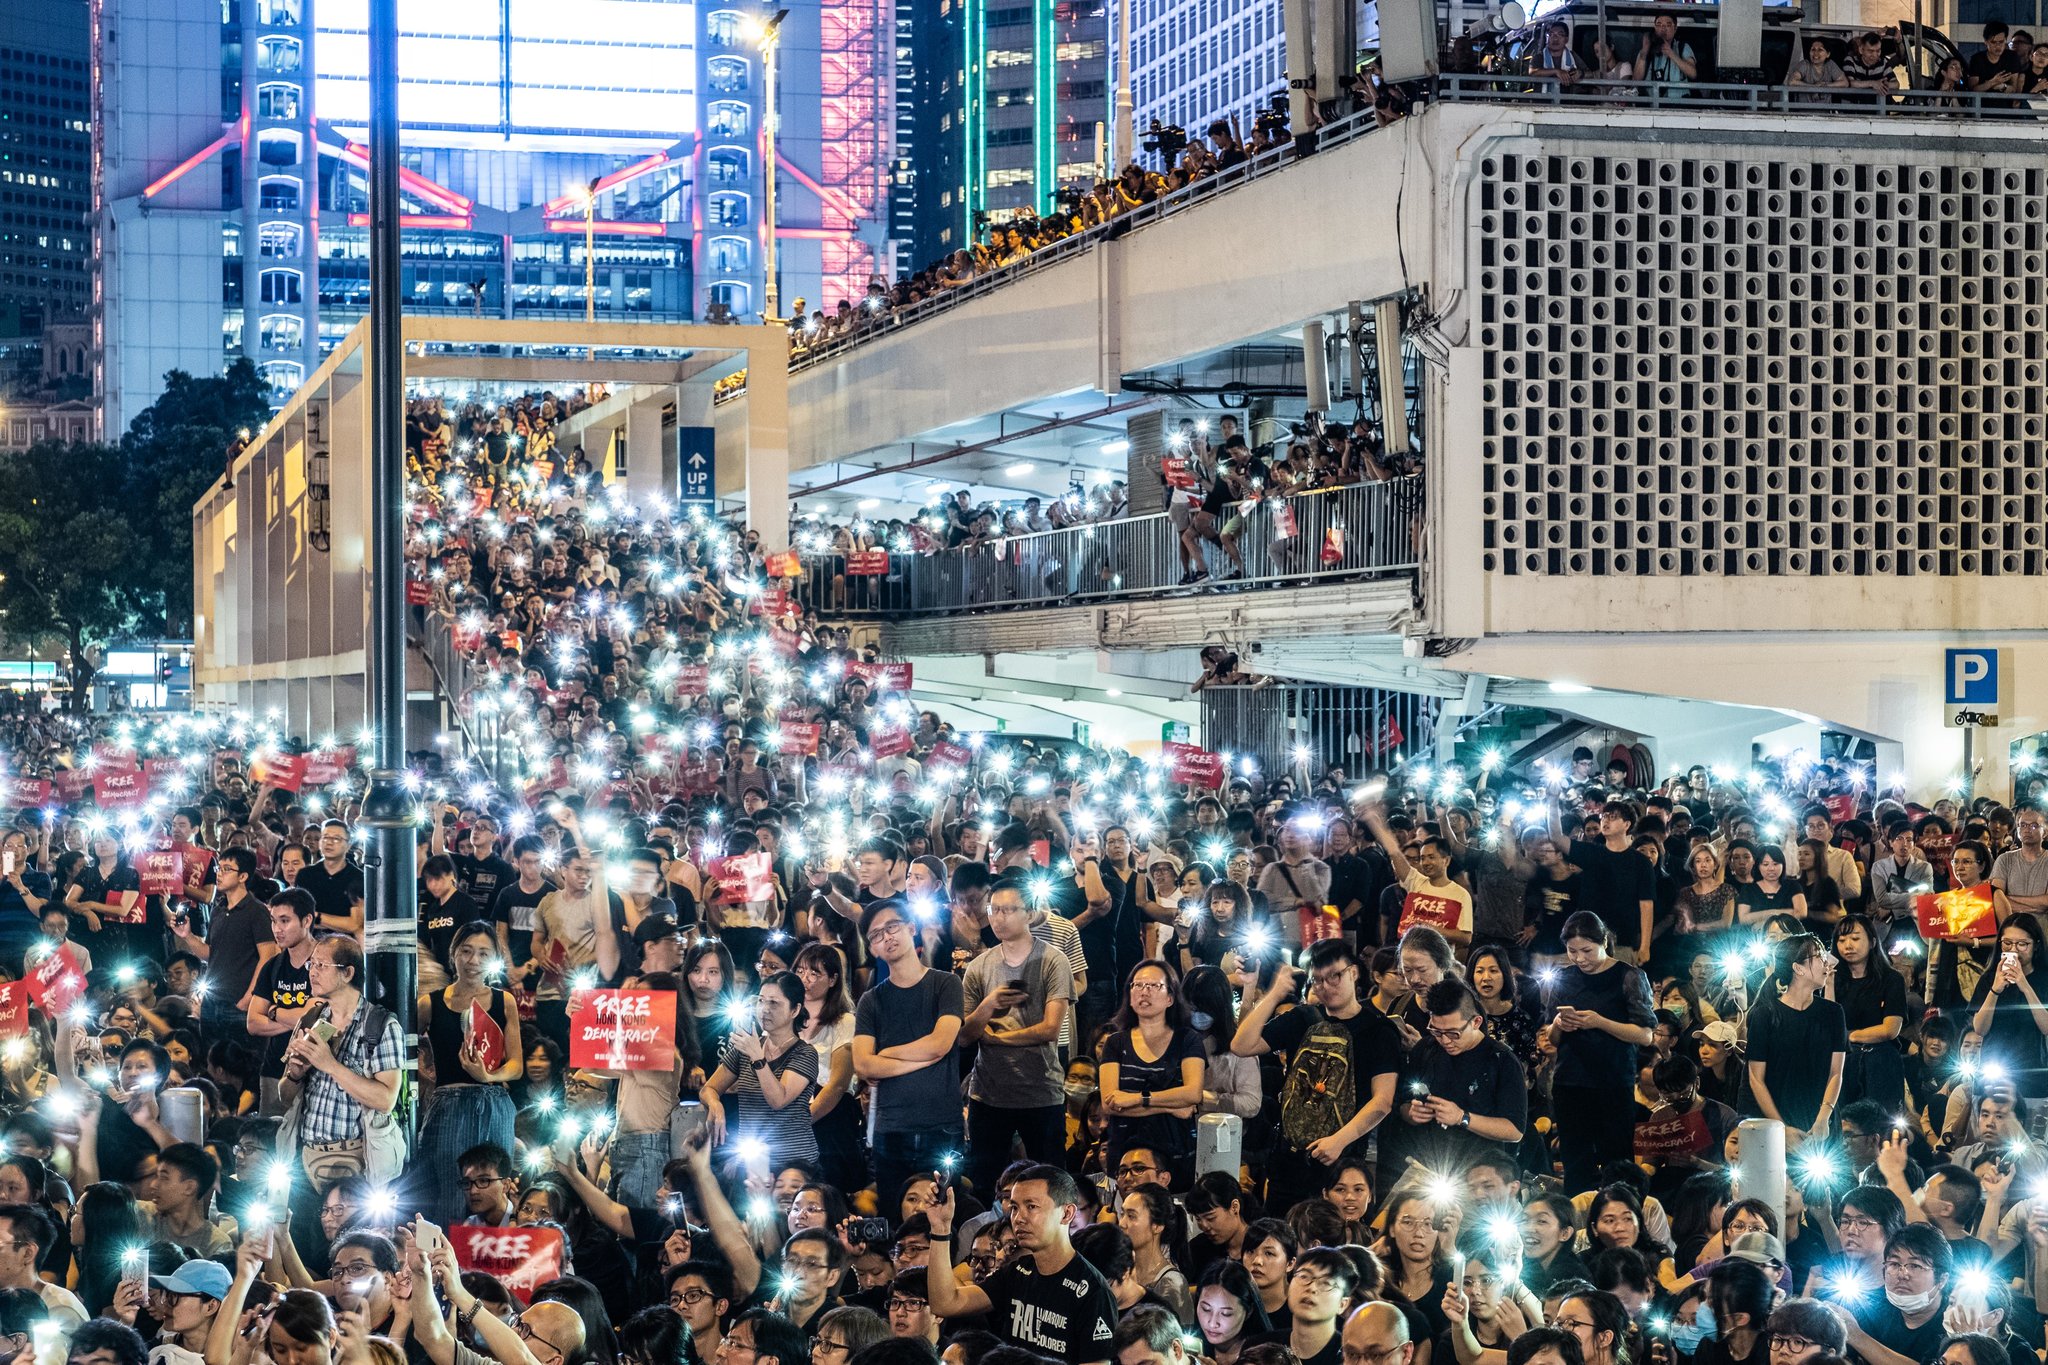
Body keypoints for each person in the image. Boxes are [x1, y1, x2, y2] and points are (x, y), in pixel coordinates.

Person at [1230, 939, 1398, 1213]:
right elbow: (1241, 1045)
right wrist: (1273, 993)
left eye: (1335, 976)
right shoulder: (1304, 1017)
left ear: (1354, 973)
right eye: (1317, 980)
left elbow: (1383, 1101)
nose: (1326, 986)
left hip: (1339, 1165)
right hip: (1289, 1159)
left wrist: (1340, 1140)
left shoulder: (1378, 1031)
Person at [926, 1164, 1117, 1364]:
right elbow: (945, 1303)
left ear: (1067, 1213)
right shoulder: (1017, 1271)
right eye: (1015, 1207)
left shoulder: (1093, 1292)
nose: (1018, 1218)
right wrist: (940, 1228)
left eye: (1031, 1206)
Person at [959, 879, 1073, 1200]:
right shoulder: (980, 966)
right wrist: (989, 1005)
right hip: (988, 1094)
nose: (1000, 918)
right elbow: (966, 1035)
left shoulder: (1052, 960)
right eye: (994, 910)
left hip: (1041, 1092)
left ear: (1030, 914)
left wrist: (999, 1039)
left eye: (1009, 910)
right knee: (985, 1185)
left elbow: (1051, 1029)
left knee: (1050, 1187)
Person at [412, 919, 522, 1225]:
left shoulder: (505, 1001)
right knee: (450, 1188)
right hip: (448, 1104)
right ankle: (447, 1265)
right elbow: (405, 1049)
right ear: (454, 953)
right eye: (467, 951)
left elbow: (516, 1065)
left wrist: (488, 1075)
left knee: (494, 1187)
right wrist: (422, 1070)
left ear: (494, 959)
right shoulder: (430, 1003)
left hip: (495, 1101)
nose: (474, 961)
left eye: (484, 954)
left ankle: (492, 1262)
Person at [854, 899, 965, 1201]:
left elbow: (941, 1043)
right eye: (876, 935)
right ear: (872, 948)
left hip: (942, 1126)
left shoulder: (946, 984)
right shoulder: (871, 1000)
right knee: (895, 1220)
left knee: (943, 1216)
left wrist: (885, 1056)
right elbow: (863, 1065)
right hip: (891, 1130)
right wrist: (927, 1056)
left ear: (911, 928)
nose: (886, 937)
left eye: (892, 927)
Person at [281, 935, 404, 1189]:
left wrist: (330, 1065)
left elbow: (385, 1100)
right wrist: (295, 1074)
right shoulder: (311, 1019)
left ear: (348, 973)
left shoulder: (379, 1025)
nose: (312, 972)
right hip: (305, 1158)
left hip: (356, 1160)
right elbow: (283, 1096)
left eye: (321, 966)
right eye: (311, 965)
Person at [1543, 912, 1655, 1190]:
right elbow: (1552, 1039)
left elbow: (1645, 1035)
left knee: (1617, 1162)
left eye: (1587, 951)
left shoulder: (1629, 976)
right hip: (1570, 1082)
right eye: (1572, 951)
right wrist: (1558, 1023)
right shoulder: (1563, 977)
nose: (1580, 959)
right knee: (1575, 1161)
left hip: (1613, 1082)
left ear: (1604, 941)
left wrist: (1600, 1022)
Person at [1384, 979, 1528, 1176]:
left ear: (1476, 1022)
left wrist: (1462, 1117)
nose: (1444, 1040)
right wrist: (1411, 1113)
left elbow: (1514, 1131)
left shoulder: (1502, 1060)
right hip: (1426, 1168)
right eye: (1436, 1031)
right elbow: (1401, 1103)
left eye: (1453, 1033)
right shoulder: (1425, 1049)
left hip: (1477, 1172)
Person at [1097, 960, 1205, 1182]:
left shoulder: (1187, 1039)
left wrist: (1137, 1098)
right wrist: (1170, 1106)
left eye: (1153, 986)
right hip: (1124, 1151)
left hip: (1174, 1150)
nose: (1143, 992)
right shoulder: (1115, 1043)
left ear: (1170, 997)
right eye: (1137, 985)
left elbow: (1193, 1093)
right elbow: (1111, 1104)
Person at [1744, 934, 1847, 1143]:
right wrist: (1781, 1128)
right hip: (1780, 1118)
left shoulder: (1833, 1012)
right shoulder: (1765, 1015)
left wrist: (1823, 1118)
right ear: (1798, 968)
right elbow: (1756, 1079)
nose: (1826, 962)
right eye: (1818, 956)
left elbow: (1836, 1072)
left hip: (1823, 1121)